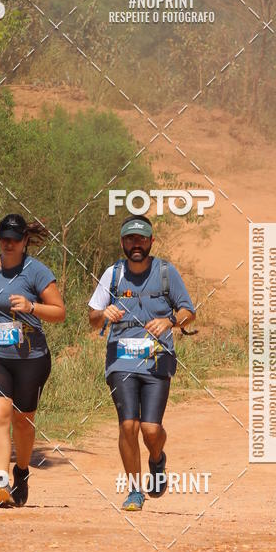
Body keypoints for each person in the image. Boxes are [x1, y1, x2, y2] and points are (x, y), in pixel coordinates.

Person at [88, 215, 196, 511]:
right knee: (128, 425)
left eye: (141, 239)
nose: (136, 244)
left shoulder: (166, 272)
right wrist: (103, 314)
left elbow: (188, 312)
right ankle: (135, 490)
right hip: (120, 360)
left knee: (150, 429)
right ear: (122, 242)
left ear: (151, 241)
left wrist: (170, 321)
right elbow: (92, 317)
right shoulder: (113, 274)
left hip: (157, 360)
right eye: (130, 239)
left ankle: (157, 460)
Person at [0, 214, 65, 507]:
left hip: (30, 358)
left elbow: (59, 312)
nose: (8, 244)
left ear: (25, 241)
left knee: (23, 421)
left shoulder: (37, 272)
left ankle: (21, 471)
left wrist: (32, 307)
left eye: (14, 239)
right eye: (4, 238)